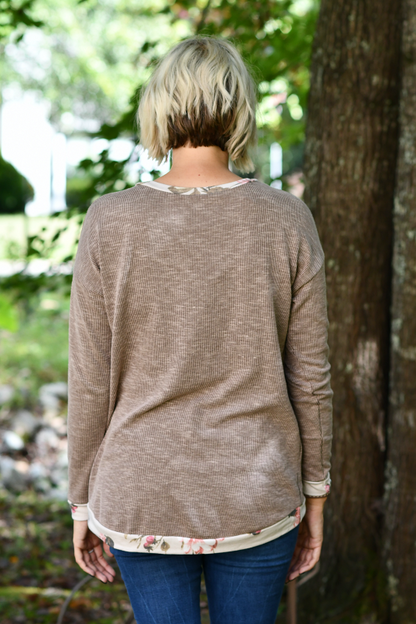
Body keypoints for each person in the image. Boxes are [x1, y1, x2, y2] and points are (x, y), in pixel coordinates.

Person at [67, 35, 333, 624]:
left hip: (141, 489)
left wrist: (81, 502)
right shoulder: (286, 218)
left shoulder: (110, 221)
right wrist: (316, 493)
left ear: (157, 109)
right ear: (242, 111)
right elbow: (310, 378)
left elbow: (90, 379)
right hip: (256, 487)